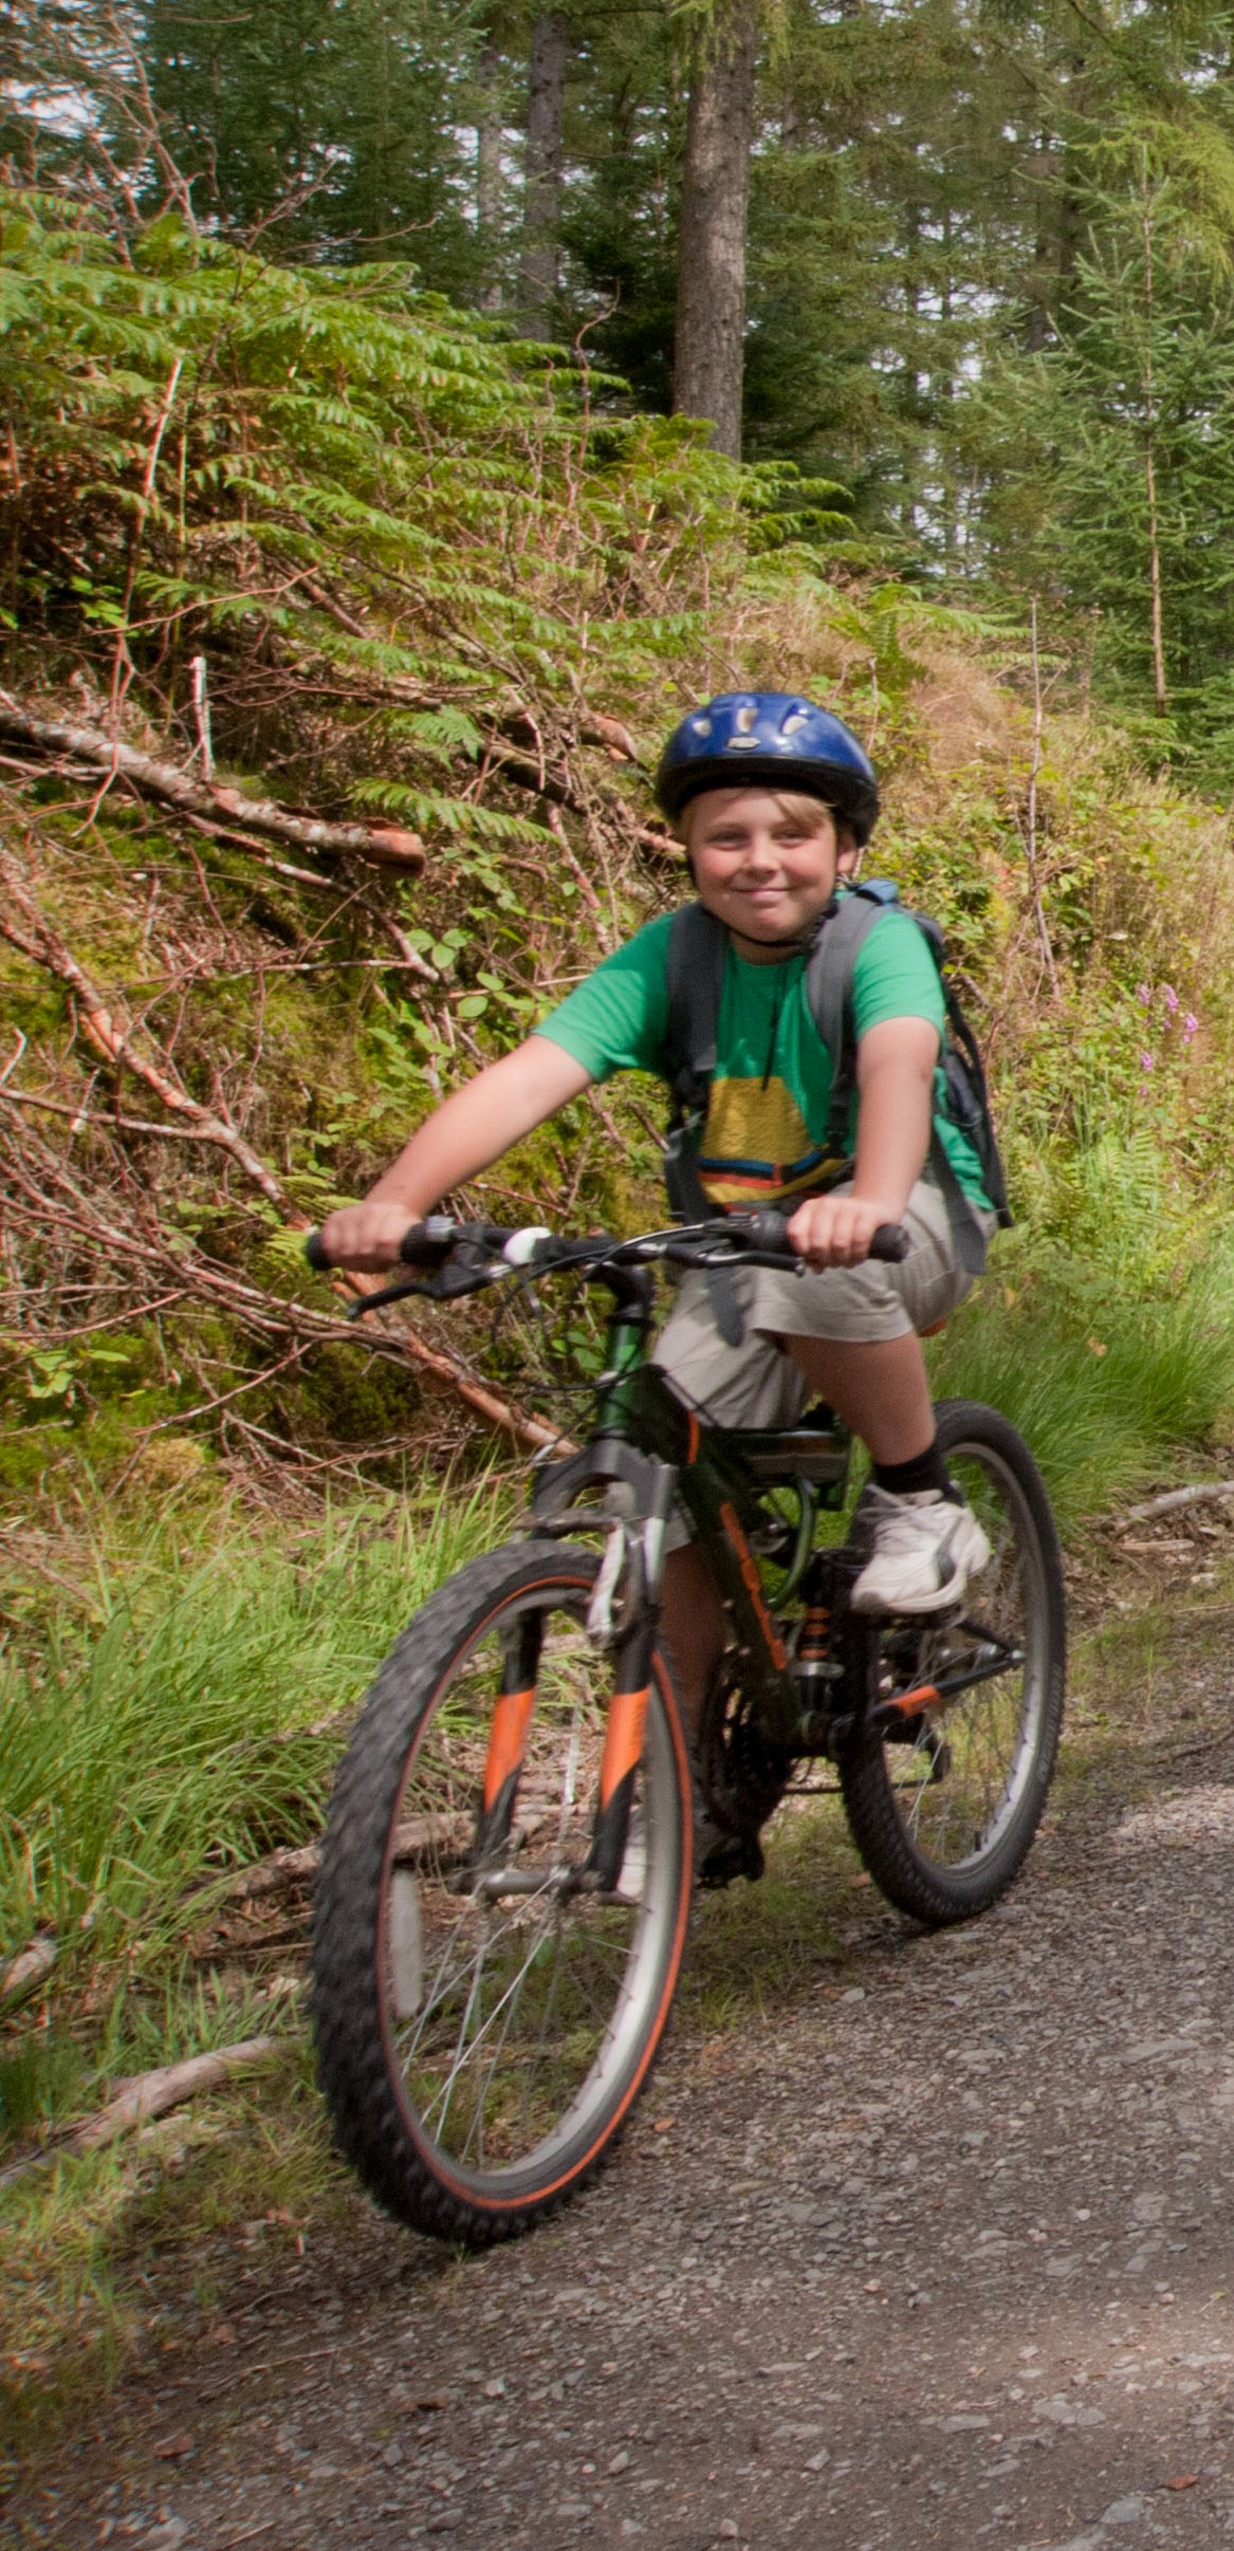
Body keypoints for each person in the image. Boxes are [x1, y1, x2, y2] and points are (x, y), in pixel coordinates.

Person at [317, 692, 1004, 1873]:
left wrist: (873, 1202)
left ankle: (920, 1499)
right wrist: (397, 1205)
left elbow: (899, 1064)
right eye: (727, 837)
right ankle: (687, 1783)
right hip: (741, 1245)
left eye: (792, 834)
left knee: (813, 1278)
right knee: (667, 1466)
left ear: (845, 851)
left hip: (905, 1220)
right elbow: (533, 1072)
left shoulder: (876, 946)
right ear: (688, 852)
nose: (759, 861)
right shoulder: (671, 956)